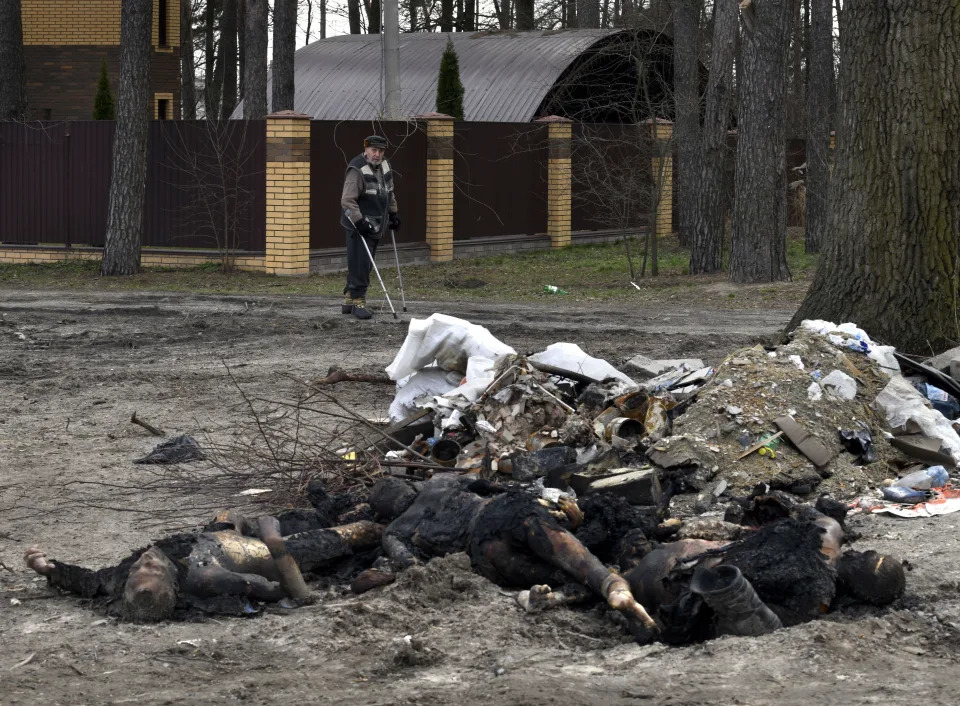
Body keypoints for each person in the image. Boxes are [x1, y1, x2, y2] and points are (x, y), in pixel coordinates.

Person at [339, 135, 401, 320]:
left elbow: (388, 191)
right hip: (359, 225)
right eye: (374, 150)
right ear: (366, 149)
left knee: (365, 263)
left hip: (376, 224)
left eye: (381, 151)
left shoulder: (384, 165)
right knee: (361, 262)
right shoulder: (357, 169)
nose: (377, 154)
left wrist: (393, 213)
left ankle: (349, 300)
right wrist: (359, 222)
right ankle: (358, 301)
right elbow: (347, 201)